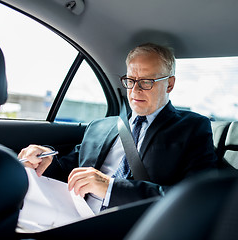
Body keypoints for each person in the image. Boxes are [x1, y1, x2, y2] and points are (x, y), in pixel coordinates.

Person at [18, 43, 225, 212]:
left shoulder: (192, 127)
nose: (135, 90)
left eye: (146, 81)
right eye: (130, 80)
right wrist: (45, 158)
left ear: (169, 84)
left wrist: (111, 188)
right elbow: (67, 170)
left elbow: (196, 196)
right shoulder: (100, 126)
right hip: (72, 218)